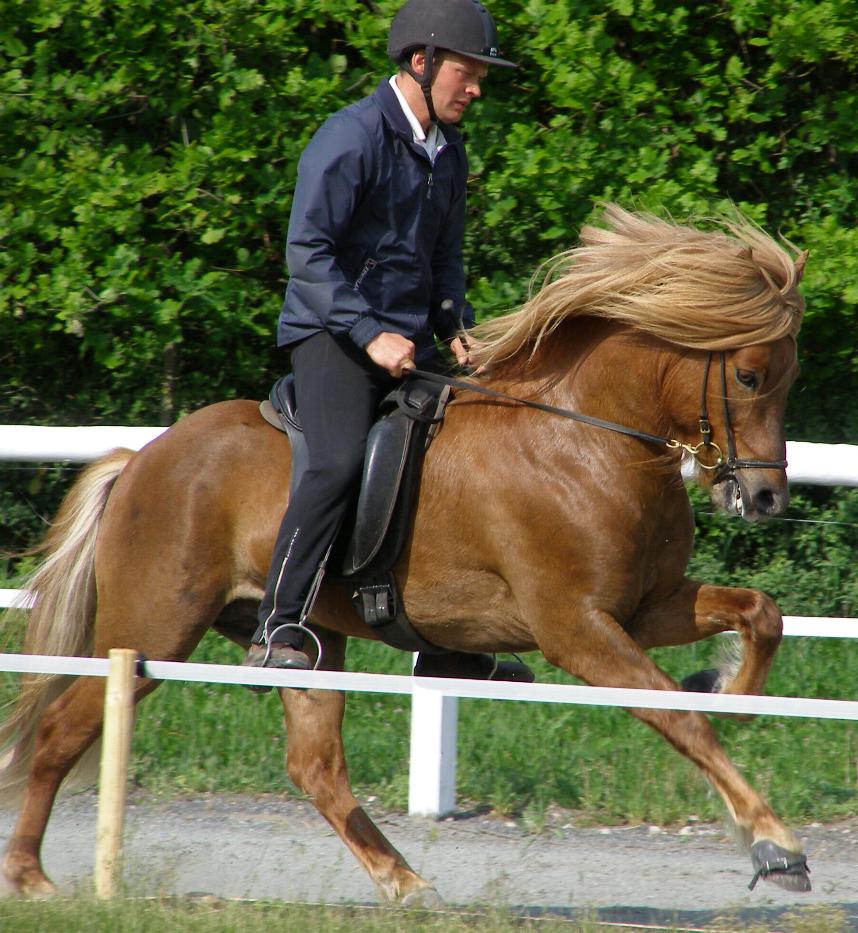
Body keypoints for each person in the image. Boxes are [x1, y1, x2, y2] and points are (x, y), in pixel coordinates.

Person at [245, 0, 516, 671]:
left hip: (407, 339)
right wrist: (368, 335)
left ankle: (447, 642)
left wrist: (454, 326)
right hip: (332, 336)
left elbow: (443, 258)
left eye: (481, 73)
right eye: (468, 72)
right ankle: (278, 625)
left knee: (472, 452)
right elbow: (307, 252)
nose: (477, 87)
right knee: (337, 461)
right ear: (421, 63)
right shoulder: (352, 137)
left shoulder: (449, 152)